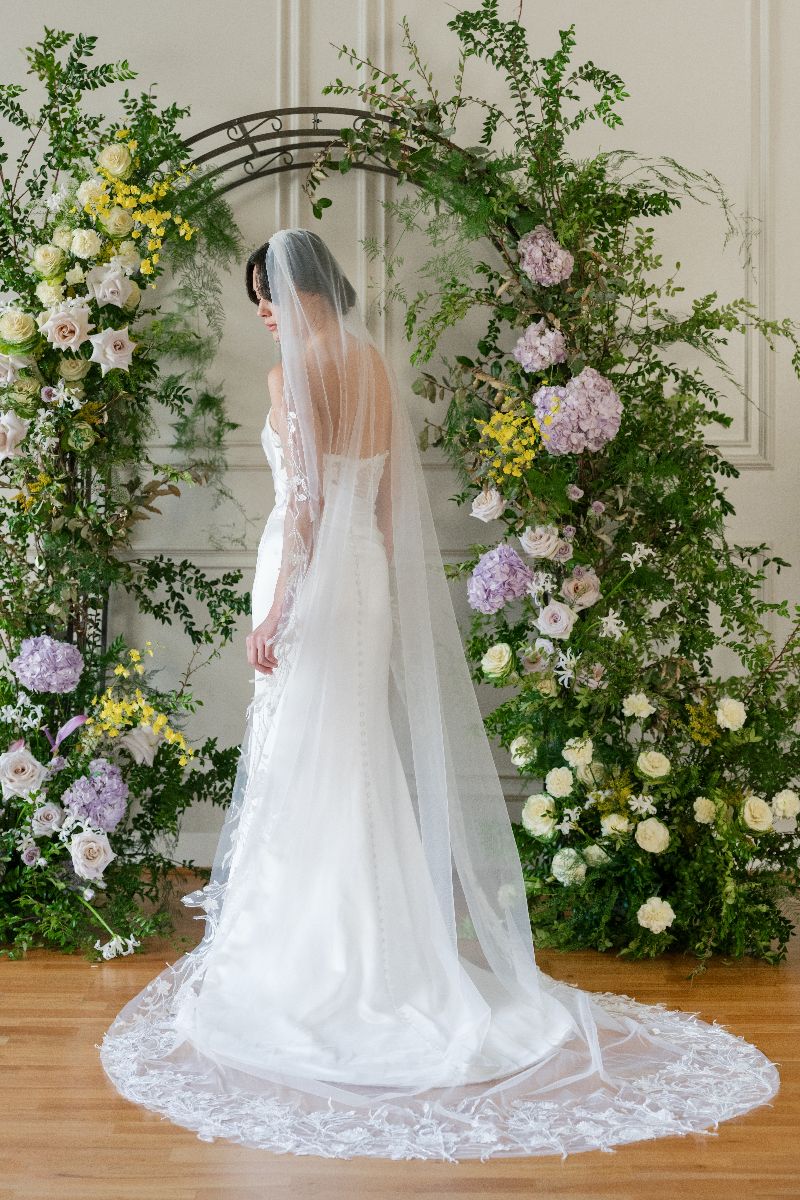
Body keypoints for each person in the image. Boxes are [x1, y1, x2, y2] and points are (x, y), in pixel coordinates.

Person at [98, 228, 778, 1161]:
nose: (263, 314)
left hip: (309, 578)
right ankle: (383, 949)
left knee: (309, 758)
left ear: (301, 291)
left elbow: (304, 507)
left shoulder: (293, 374)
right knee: (353, 753)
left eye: (267, 295)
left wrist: (281, 609)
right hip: (364, 578)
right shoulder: (372, 364)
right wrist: (367, 575)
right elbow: (380, 506)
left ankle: (314, 962)